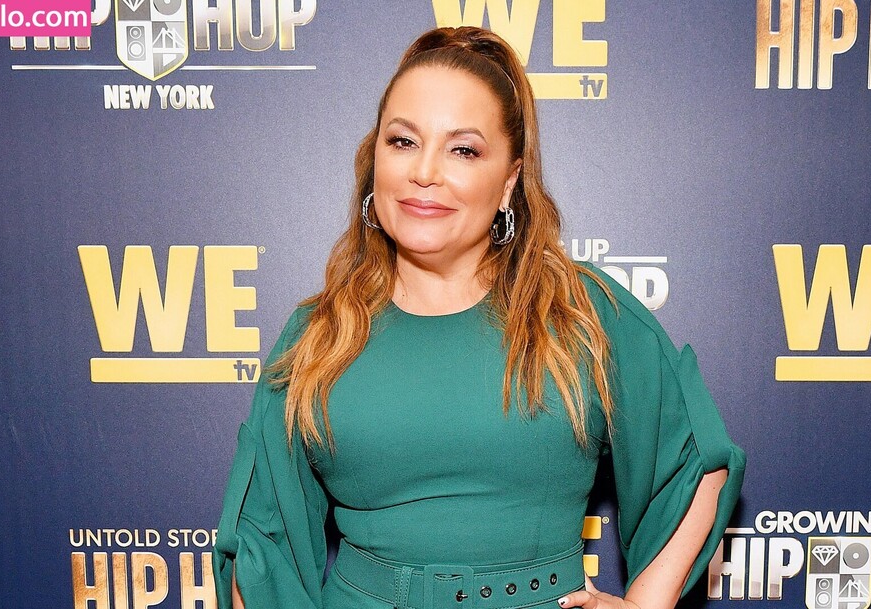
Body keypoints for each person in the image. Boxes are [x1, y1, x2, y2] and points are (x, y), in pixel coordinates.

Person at [214, 26, 744, 609]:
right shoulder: (319, 335)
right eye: (403, 141)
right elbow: (259, 540)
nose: (424, 172)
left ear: (508, 181)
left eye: (463, 150)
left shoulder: (582, 312)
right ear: (375, 160)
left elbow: (695, 458)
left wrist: (646, 604)